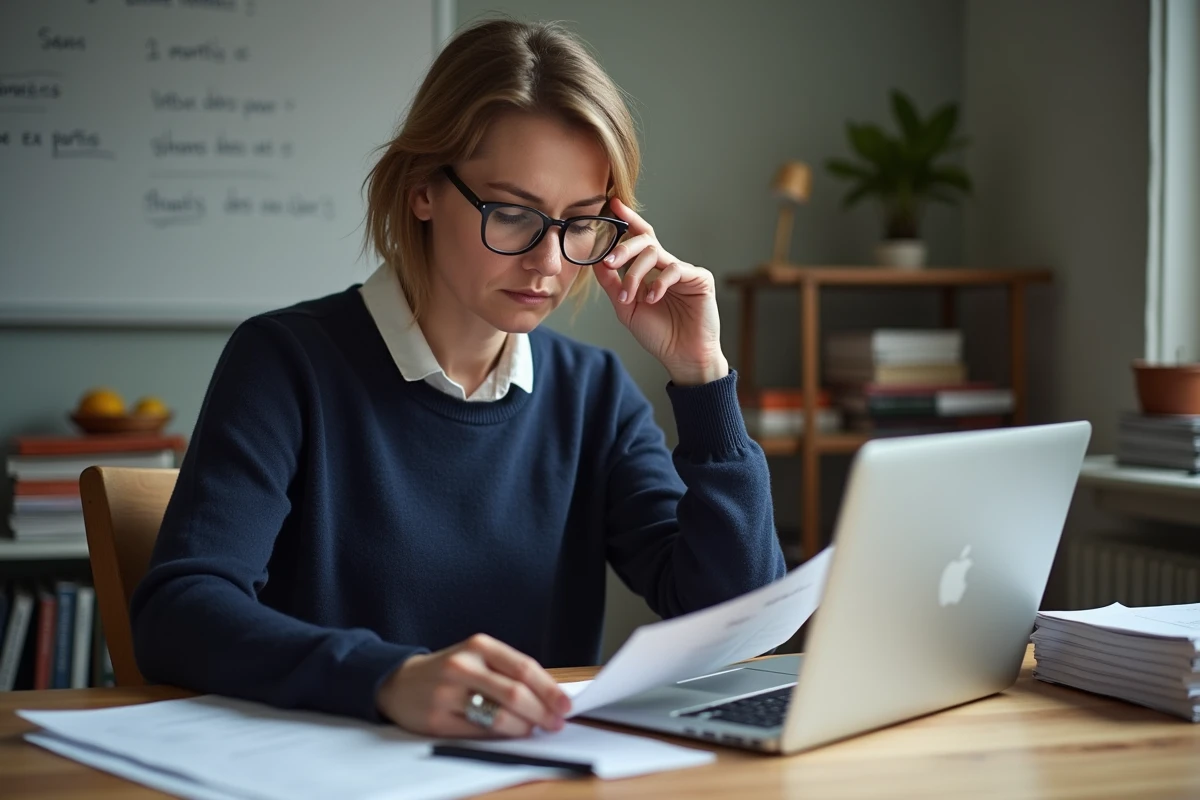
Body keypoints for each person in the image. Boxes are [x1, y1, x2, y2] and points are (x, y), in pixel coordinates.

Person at [130, 18, 786, 740]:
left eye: (581, 222)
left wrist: (704, 379)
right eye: (512, 213)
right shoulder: (286, 362)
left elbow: (736, 623)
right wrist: (387, 678)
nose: (549, 264)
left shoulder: (592, 393)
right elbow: (179, 613)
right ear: (422, 191)